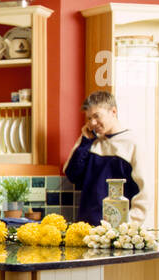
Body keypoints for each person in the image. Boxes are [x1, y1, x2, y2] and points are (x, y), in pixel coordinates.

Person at [63, 90, 150, 225]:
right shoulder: (90, 143)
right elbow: (72, 174)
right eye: (89, 118)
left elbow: (144, 193)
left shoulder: (132, 144)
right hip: (88, 228)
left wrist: (129, 226)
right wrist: (85, 141)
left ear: (113, 112)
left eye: (97, 116)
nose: (92, 123)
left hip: (118, 231)